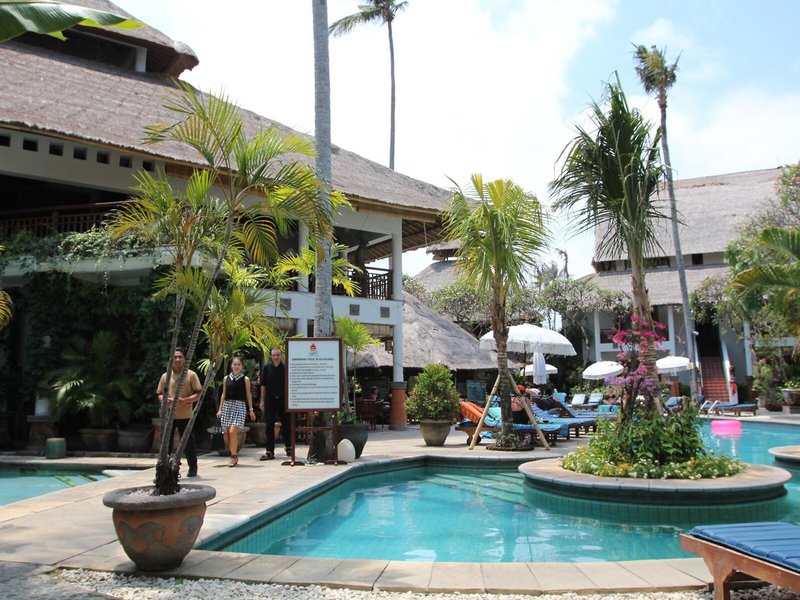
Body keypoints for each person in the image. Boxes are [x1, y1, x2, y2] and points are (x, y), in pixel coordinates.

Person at [156, 348, 203, 478]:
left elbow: (199, 393)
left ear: (184, 359)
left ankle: (193, 467)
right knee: (166, 443)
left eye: (180, 357)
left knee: (188, 442)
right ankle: (165, 468)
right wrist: (165, 400)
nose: (177, 359)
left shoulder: (191, 375)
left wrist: (184, 400)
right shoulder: (165, 376)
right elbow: (159, 393)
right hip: (169, 415)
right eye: (175, 357)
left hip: (185, 414)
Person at [217, 356, 254, 467]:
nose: (236, 366)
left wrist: (251, 409)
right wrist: (220, 409)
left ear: (242, 366)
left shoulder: (245, 379)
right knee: (228, 434)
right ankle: (233, 455)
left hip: (239, 406)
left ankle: (233, 456)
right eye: (234, 364)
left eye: (239, 364)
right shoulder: (226, 378)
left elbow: (248, 395)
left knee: (233, 431)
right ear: (231, 366)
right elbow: (223, 394)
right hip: (227, 406)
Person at [259, 346, 291, 460]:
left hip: (284, 399)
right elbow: (263, 385)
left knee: (287, 424)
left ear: (281, 356)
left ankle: (289, 447)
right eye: (274, 355)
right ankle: (270, 451)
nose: (276, 357)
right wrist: (262, 400)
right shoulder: (266, 368)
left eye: (278, 355)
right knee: (269, 425)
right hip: (270, 399)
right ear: (271, 356)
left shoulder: (286, 368)